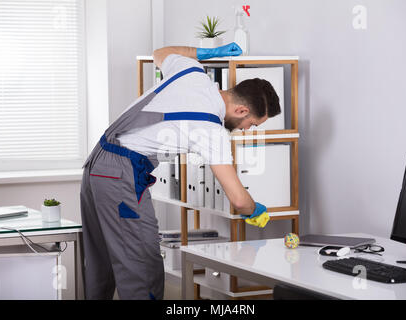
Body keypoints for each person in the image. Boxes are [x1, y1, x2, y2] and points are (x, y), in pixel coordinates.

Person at [80, 42, 282, 299]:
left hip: (97, 163)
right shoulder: (210, 128)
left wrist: (206, 53)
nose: (246, 130)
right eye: (251, 124)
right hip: (120, 176)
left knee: (102, 262)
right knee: (143, 267)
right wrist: (255, 211)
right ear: (242, 110)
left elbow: (160, 54)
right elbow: (239, 200)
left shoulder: (192, 72)